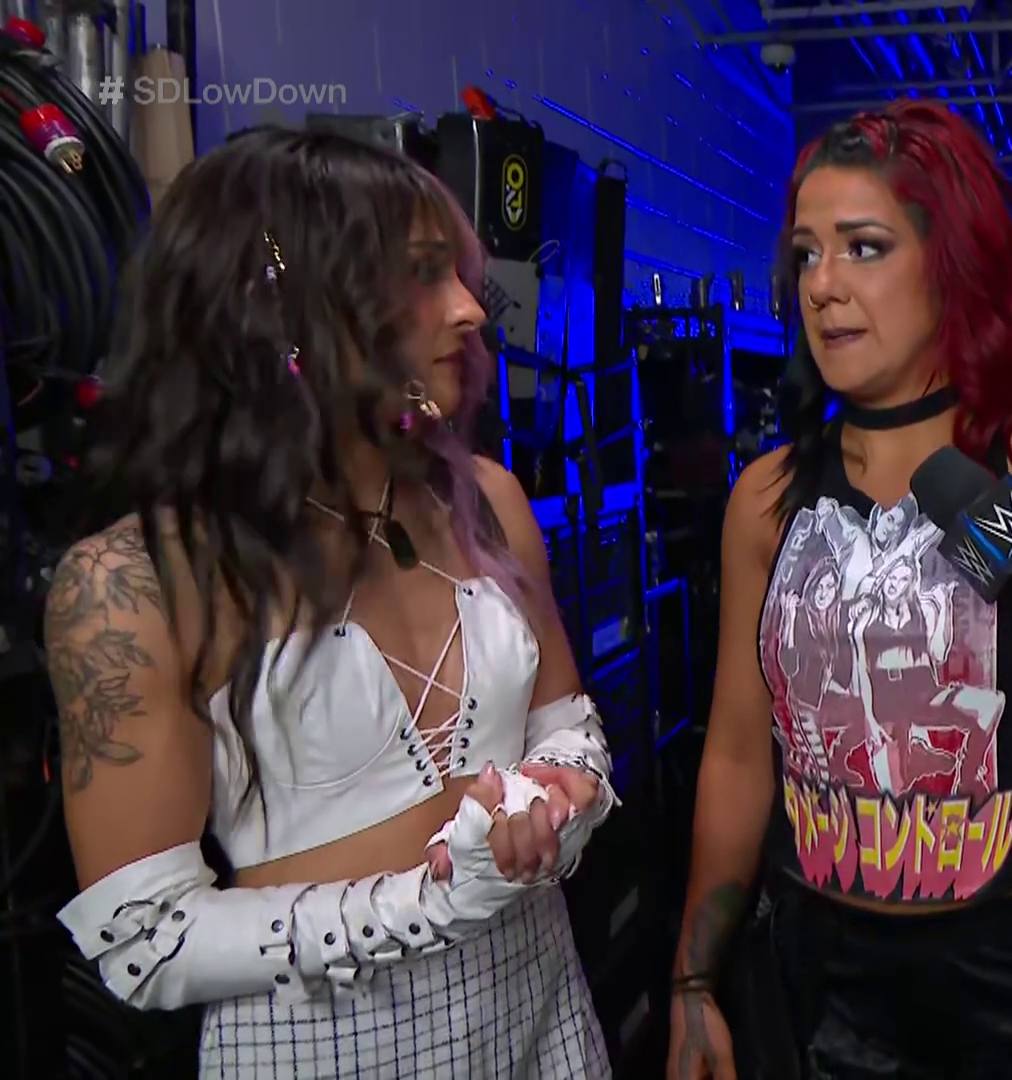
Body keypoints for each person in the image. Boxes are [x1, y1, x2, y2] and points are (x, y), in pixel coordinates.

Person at [46, 128, 617, 1077]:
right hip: (321, 1045)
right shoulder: (137, 582)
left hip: (542, 1013)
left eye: (460, 274)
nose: (470, 309)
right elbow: (145, 934)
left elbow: (568, 727)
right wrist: (432, 901)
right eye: (424, 275)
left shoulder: (485, 501)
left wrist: (551, 804)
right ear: (284, 307)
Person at [666, 100, 1012, 1080]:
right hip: (825, 988)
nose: (824, 285)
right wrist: (693, 981)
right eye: (807, 254)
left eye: (863, 248)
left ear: (950, 265)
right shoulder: (770, 501)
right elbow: (736, 756)